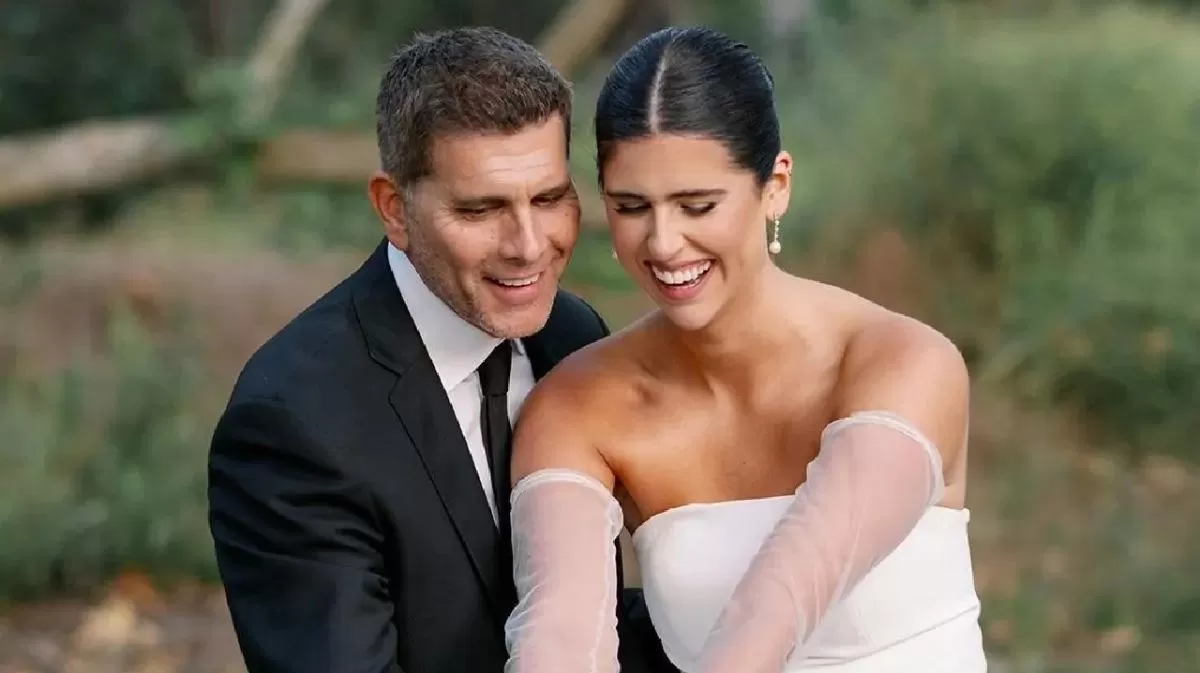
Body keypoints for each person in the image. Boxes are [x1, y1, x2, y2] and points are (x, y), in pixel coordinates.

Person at [502, 26, 987, 673]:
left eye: (697, 204)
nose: (664, 241)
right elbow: (561, 637)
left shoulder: (903, 361)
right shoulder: (575, 407)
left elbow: (777, 607)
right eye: (631, 206)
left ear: (775, 185)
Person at [207, 27, 675, 673]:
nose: (529, 245)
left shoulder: (571, 334)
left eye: (548, 197)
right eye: (482, 209)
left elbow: (591, 616)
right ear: (393, 208)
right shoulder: (294, 422)